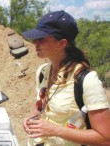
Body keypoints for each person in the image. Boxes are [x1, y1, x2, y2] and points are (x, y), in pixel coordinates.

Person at [22, 10, 110, 146]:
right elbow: (42, 108)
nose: (34, 43)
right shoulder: (42, 72)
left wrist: (55, 130)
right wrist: (32, 118)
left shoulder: (86, 80)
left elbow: (105, 138)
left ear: (62, 44)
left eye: (41, 39)